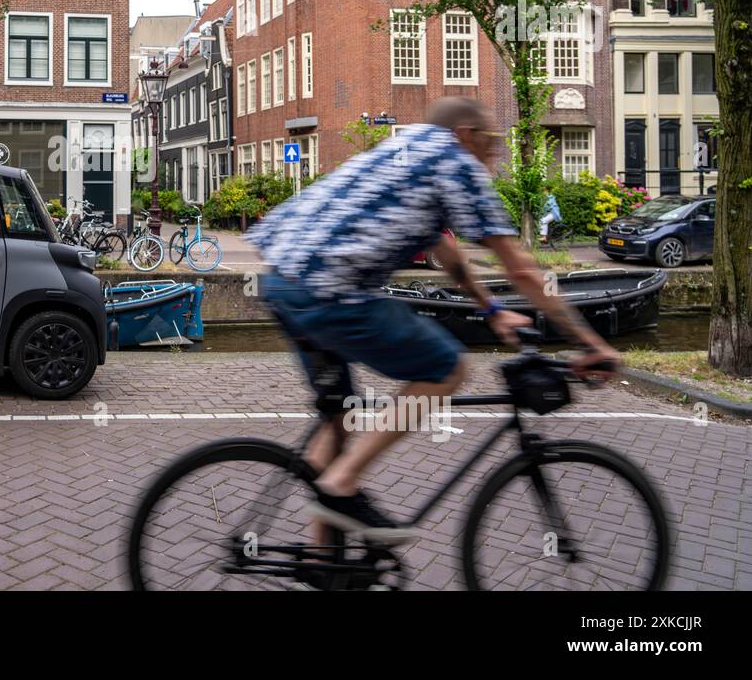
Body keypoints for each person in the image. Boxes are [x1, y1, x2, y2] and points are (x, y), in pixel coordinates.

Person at [246, 98, 620, 544]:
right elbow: (518, 268)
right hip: (330, 290)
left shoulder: (403, 150)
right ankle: (341, 485)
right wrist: (589, 342)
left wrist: (492, 310)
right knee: (448, 368)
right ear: (465, 134)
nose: (495, 153)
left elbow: (449, 255)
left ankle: (323, 562)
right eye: (492, 141)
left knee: (339, 418)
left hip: (281, 283)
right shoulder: (454, 162)